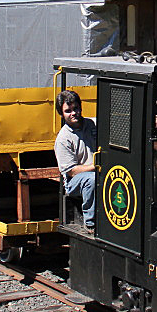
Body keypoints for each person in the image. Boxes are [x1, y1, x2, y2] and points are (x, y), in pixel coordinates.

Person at [55, 89, 97, 231]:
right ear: (62, 114)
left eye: (76, 108)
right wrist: (96, 166)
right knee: (92, 179)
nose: (73, 113)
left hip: (98, 169)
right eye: (68, 111)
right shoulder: (63, 139)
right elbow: (71, 171)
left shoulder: (93, 124)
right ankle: (90, 223)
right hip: (74, 182)